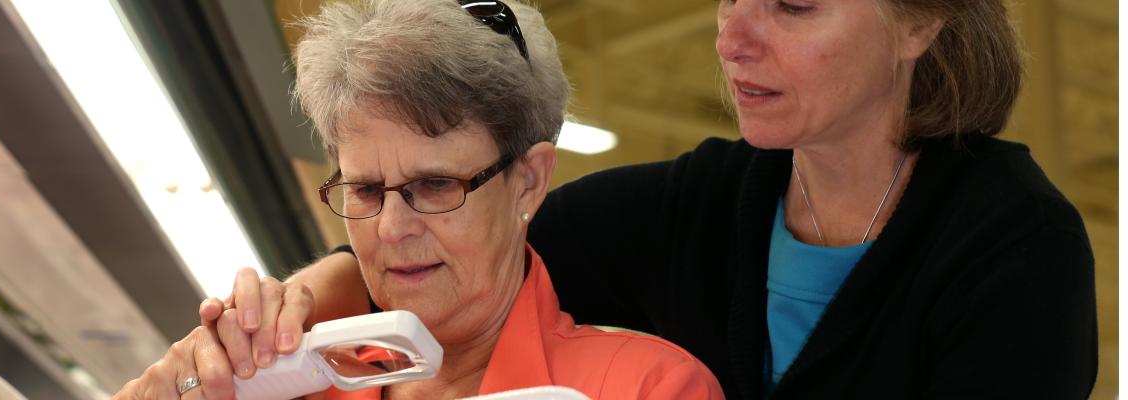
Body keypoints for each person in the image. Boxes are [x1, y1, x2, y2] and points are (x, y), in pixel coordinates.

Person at [209, 0, 1100, 398]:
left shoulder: (1014, 250)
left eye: (792, 4)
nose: (733, 36)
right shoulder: (698, 204)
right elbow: (427, 251)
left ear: (920, 22)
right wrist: (264, 330)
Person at [112, 0, 725, 399]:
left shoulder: (646, 387)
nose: (392, 228)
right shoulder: (284, 385)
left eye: (436, 186)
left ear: (528, 184)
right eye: (366, 190)